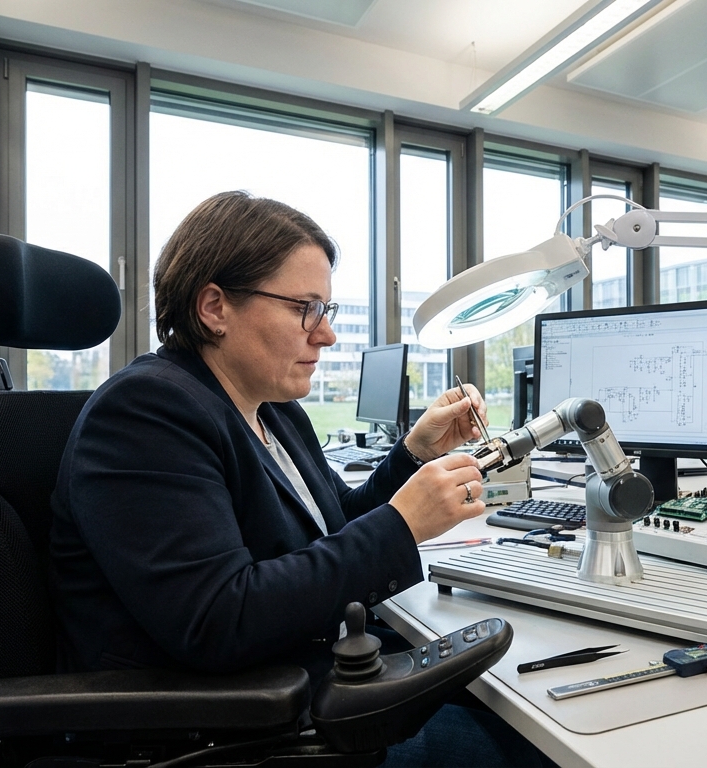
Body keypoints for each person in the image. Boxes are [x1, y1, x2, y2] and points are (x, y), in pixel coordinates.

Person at [49, 192, 558, 767]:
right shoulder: (145, 412)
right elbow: (220, 619)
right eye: (304, 310)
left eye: (327, 312)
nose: (326, 336)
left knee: (526, 707)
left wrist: (412, 454)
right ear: (214, 307)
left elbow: (333, 524)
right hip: (235, 733)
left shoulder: (272, 409)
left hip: (313, 679)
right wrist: (402, 525)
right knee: (540, 748)